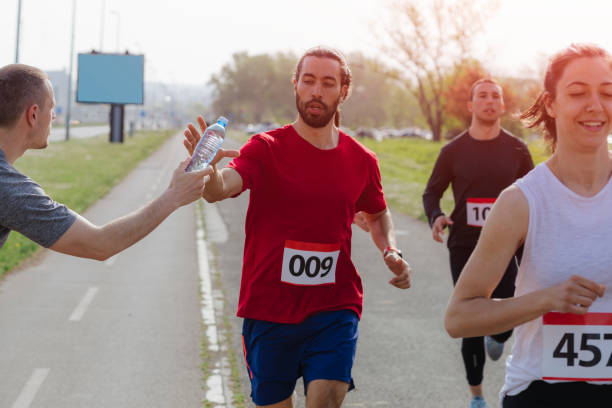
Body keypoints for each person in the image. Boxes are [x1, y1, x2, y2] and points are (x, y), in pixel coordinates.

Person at [183, 46, 411, 408]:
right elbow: (221, 188)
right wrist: (208, 170)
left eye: (327, 83)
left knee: (326, 397)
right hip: (269, 309)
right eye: (308, 81)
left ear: (343, 91)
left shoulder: (362, 160)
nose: (316, 91)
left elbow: (378, 211)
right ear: (296, 86)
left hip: (335, 305)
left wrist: (391, 249)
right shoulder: (266, 148)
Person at [445, 43, 612, 407]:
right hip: (543, 393)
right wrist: (546, 300)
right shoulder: (521, 201)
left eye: (608, 93)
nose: (595, 105)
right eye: (578, 93)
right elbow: (459, 318)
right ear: (550, 103)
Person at [0, 64, 208, 259]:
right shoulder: (10, 189)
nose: (54, 117)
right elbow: (100, 244)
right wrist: (173, 196)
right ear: (33, 114)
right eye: (51, 108)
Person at [423, 78, 534, 408]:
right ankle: (477, 397)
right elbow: (432, 192)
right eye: (482, 96)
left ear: (501, 106)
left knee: (506, 315)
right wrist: (436, 216)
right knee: (471, 317)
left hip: (508, 245)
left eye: (495, 97)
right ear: (471, 106)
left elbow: (534, 193)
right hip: (465, 245)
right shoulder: (452, 151)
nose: (489, 101)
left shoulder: (517, 149)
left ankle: (498, 334)